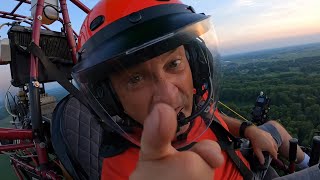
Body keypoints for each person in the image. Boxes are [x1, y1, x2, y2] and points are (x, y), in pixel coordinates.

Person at [72, 0, 319, 179]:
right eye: (135, 79)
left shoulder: (193, 111)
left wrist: (249, 129)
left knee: (275, 128)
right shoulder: (128, 171)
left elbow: (214, 120)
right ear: (110, 99)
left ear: (197, 67)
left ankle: (309, 160)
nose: (168, 96)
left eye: (174, 64)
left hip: (246, 161)